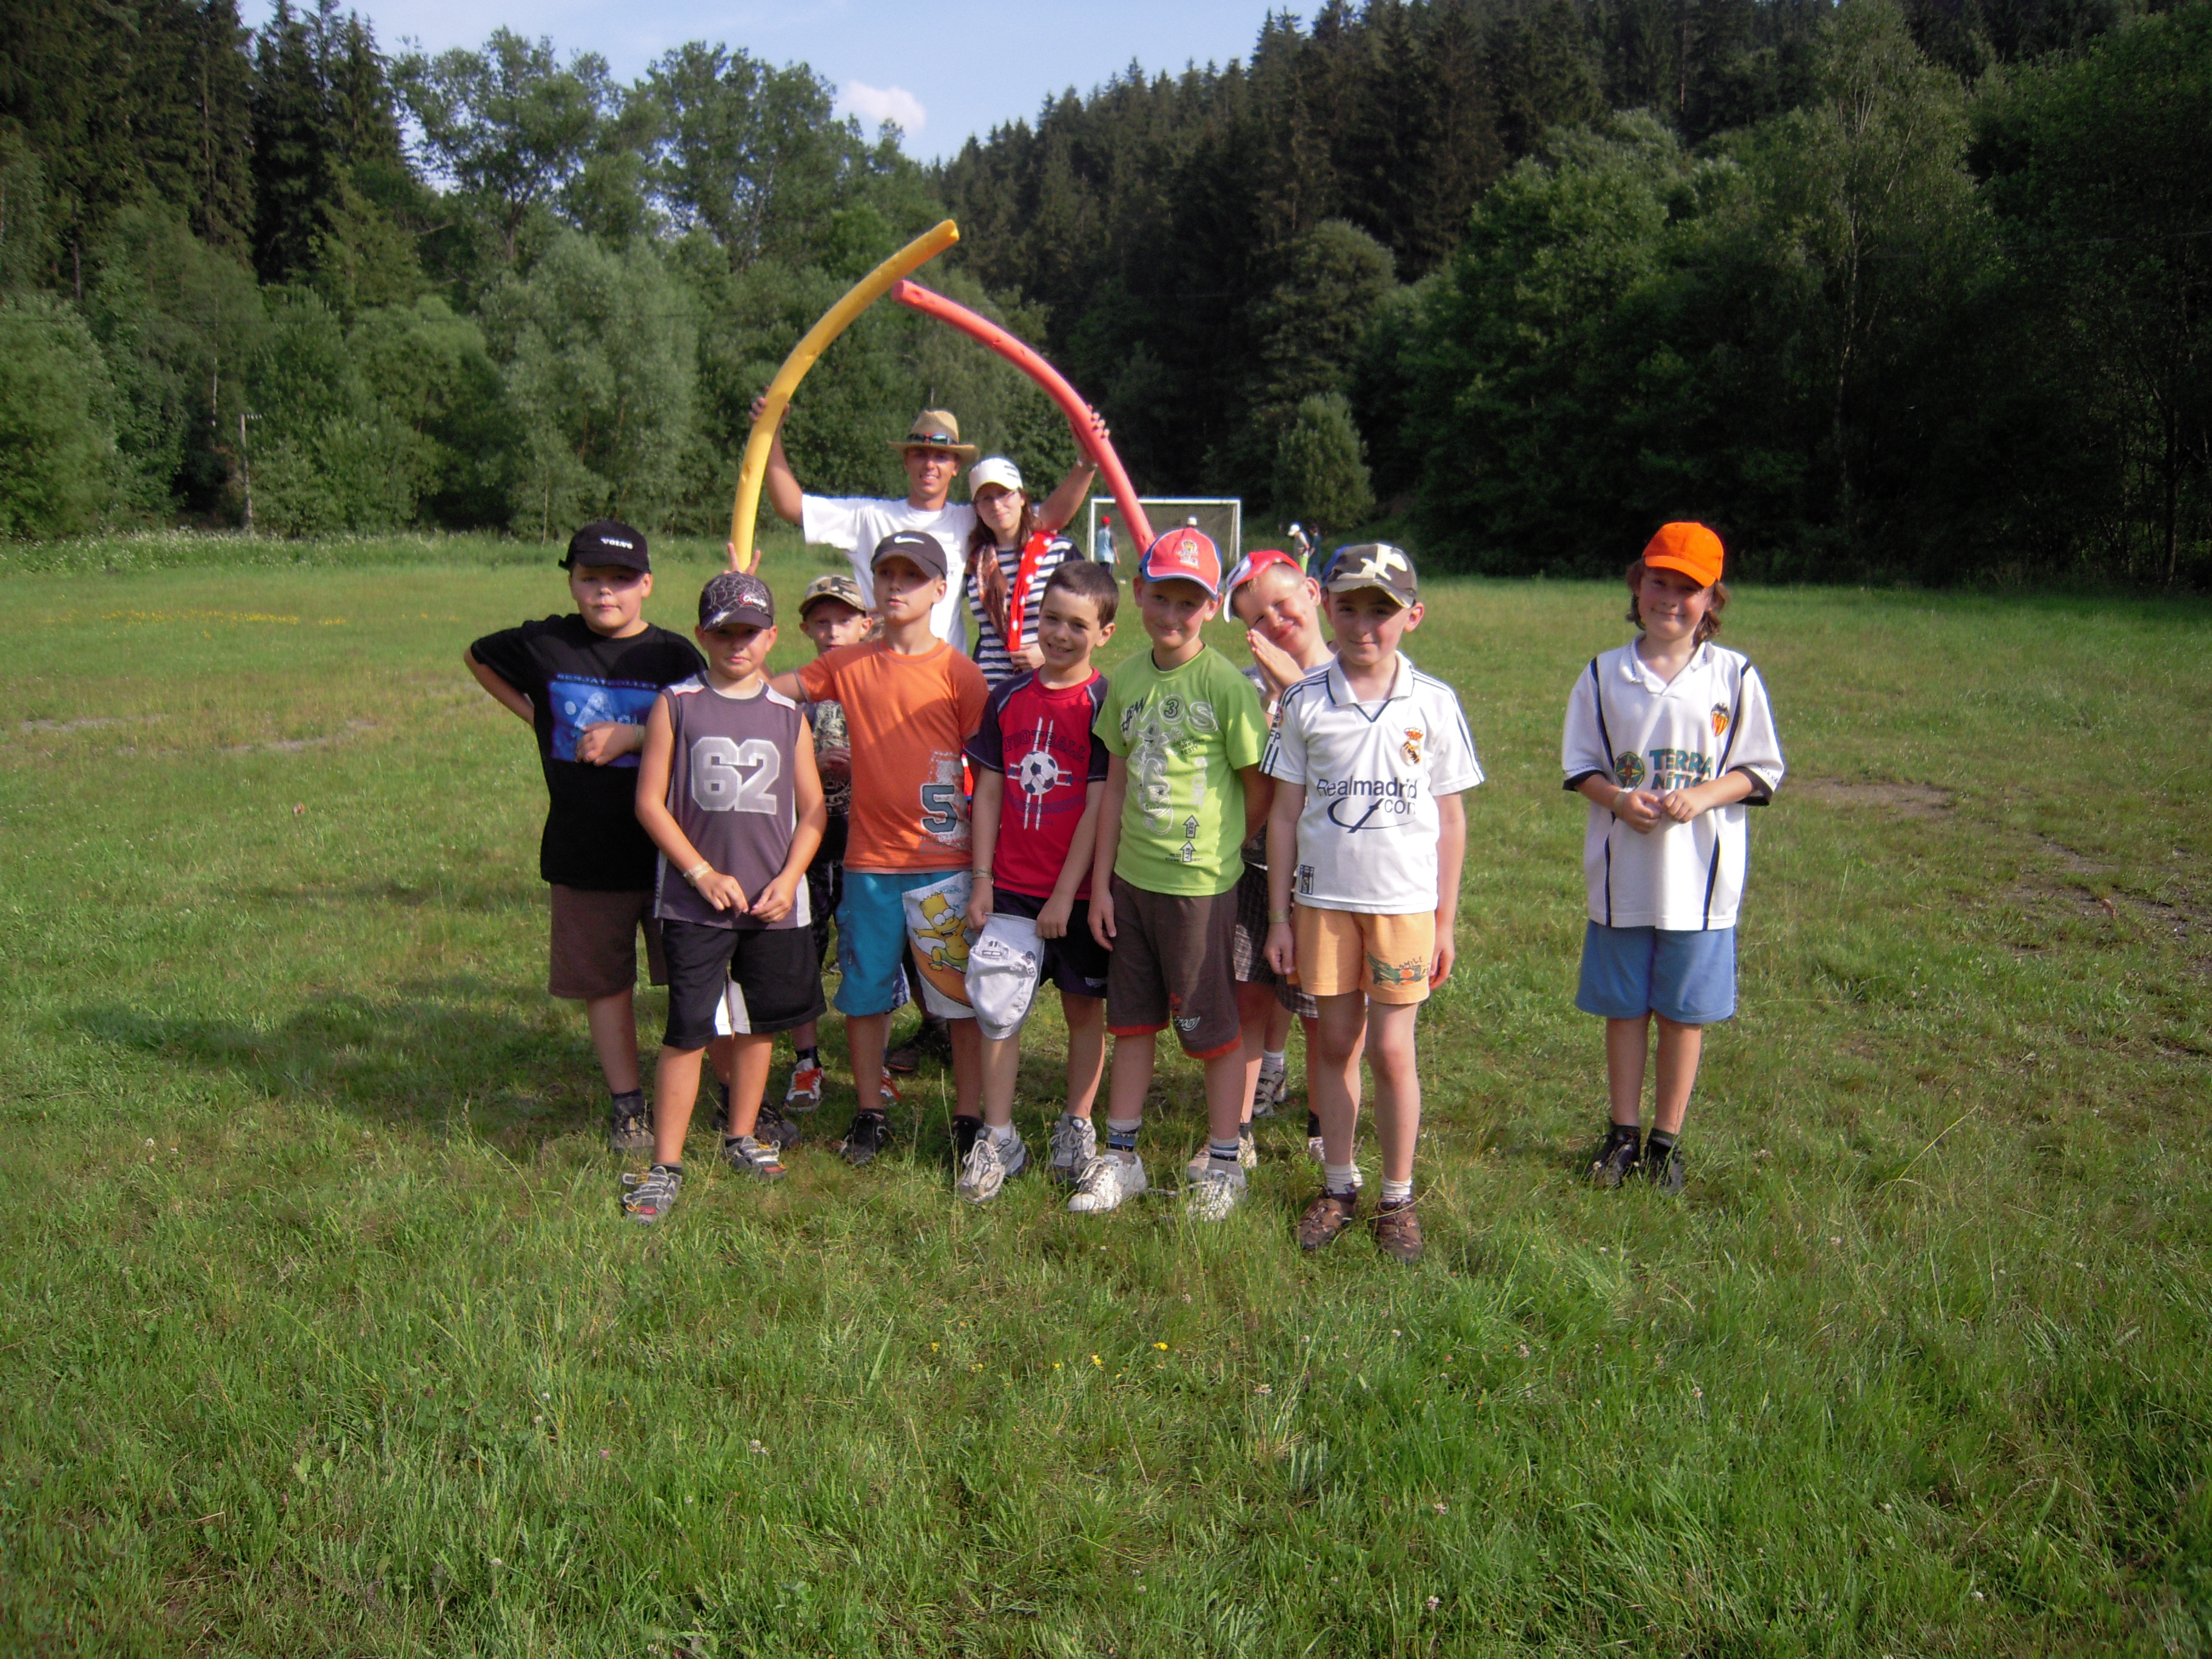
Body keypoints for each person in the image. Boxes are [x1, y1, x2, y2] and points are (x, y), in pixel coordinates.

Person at [1264, 544, 1480, 1262]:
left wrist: (1445, 921)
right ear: (1327, 608)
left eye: (1381, 611)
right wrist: (1279, 917)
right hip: (1323, 904)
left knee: (1391, 1050)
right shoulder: (1304, 700)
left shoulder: (1434, 703)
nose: (1364, 626)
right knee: (1334, 1044)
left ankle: (1398, 1197)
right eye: (1349, 608)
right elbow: (1285, 816)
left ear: (1412, 616)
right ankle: (1338, 1186)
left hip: (1405, 907)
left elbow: (1451, 820)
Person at [463, 520, 706, 1153]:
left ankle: (726, 1091)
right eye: (590, 578)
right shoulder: (546, 643)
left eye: (621, 580)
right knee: (605, 983)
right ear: (571, 582)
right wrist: (537, 717)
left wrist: (635, 737)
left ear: (646, 584)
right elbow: (478, 657)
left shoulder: (675, 656)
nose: (605, 592)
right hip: (585, 850)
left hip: (674, 854)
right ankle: (628, 1104)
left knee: (697, 978)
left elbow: (709, 727)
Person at [1561, 522, 1785, 1195]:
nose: (1670, 598)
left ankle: (1666, 1142)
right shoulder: (1604, 673)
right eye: (1659, 581)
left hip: (1700, 884)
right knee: (1625, 1010)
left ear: (1712, 598)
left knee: (1683, 1013)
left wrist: (1705, 795)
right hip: (1623, 879)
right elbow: (1581, 766)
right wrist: (1618, 799)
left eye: (1689, 589)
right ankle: (1622, 1133)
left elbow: (1760, 769)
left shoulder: (1733, 676)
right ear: (1638, 584)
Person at [766, 531, 991, 1168]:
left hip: (944, 865)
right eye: (886, 573)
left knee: (958, 997)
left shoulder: (959, 673)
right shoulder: (848, 664)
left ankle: (968, 1115)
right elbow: (769, 689)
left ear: (940, 590)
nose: (896, 586)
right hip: (869, 865)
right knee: (864, 991)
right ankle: (870, 1111)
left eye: (911, 576)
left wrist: (983, 870)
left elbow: (989, 777)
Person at [618, 572, 828, 1224]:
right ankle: (666, 1162)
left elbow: (814, 809)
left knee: (760, 1022)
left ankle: (742, 1134)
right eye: (725, 632)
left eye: (751, 632)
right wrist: (700, 872)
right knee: (690, 1028)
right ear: (703, 635)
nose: (738, 643)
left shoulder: (787, 715)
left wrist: (790, 879)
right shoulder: (676, 704)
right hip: (695, 905)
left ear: (772, 637)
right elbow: (650, 803)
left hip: (773, 906)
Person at [1078, 526, 1271, 1219]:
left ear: (1213, 607)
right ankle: (1122, 1157)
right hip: (1132, 887)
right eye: (1161, 597)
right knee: (1131, 1025)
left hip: (1199, 892)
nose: (1172, 614)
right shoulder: (1126, 680)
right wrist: (1103, 885)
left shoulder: (1226, 687)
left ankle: (1224, 1163)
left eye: (1189, 602)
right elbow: (1115, 788)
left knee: (1211, 1030)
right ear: (1137, 593)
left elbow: (1259, 788)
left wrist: (1221, 850)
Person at [956, 560, 1120, 1202]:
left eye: (1077, 624)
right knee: (998, 1012)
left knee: (1084, 1011)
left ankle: (1076, 1125)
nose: (1060, 634)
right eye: (1051, 618)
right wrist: (982, 878)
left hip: (1077, 897)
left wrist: (1063, 895)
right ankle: (999, 1136)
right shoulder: (1006, 698)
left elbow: (1099, 805)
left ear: (1105, 633)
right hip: (1011, 890)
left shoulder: (1105, 704)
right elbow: (989, 793)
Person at [751, 401, 1102, 653]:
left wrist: (1086, 463)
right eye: (920, 454)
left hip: (943, 679)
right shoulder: (868, 516)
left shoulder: (972, 519)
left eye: (941, 457)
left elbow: (1047, 517)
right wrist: (771, 434)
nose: (930, 465)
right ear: (906, 460)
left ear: (955, 467)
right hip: (880, 670)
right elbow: (792, 506)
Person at [1218, 549, 1335, 1174]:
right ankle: (1236, 1130)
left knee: (1321, 1012)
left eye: (1282, 604)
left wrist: (1295, 691)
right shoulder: (1245, 686)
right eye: (1257, 618)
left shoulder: (1354, 677)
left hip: (1327, 878)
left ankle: (1323, 1124)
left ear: (1313, 592)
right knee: (1248, 999)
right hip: (1256, 870)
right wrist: (1266, 705)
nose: (1274, 622)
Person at [773, 572, 871, 1118]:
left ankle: (873, 1059)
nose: (833, 631)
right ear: (806, 628)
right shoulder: (793, 697)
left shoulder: (877, 689)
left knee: (868, 954)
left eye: (844, 620)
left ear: (866, 625)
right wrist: (813, 764)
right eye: (822, 621)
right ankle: (806, 1058)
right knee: (803, 955)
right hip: (807, 848)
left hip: (866, 847)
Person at [965, 455, 1081, 689]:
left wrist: (1048, 652)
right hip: (990, 692)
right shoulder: (976, 562)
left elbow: (1091, 616)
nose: (997, 505)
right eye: (987, 499)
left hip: (1047, 684)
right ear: (977, 508)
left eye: (1004, 494)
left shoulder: (1059, 551)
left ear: (1022, 498)